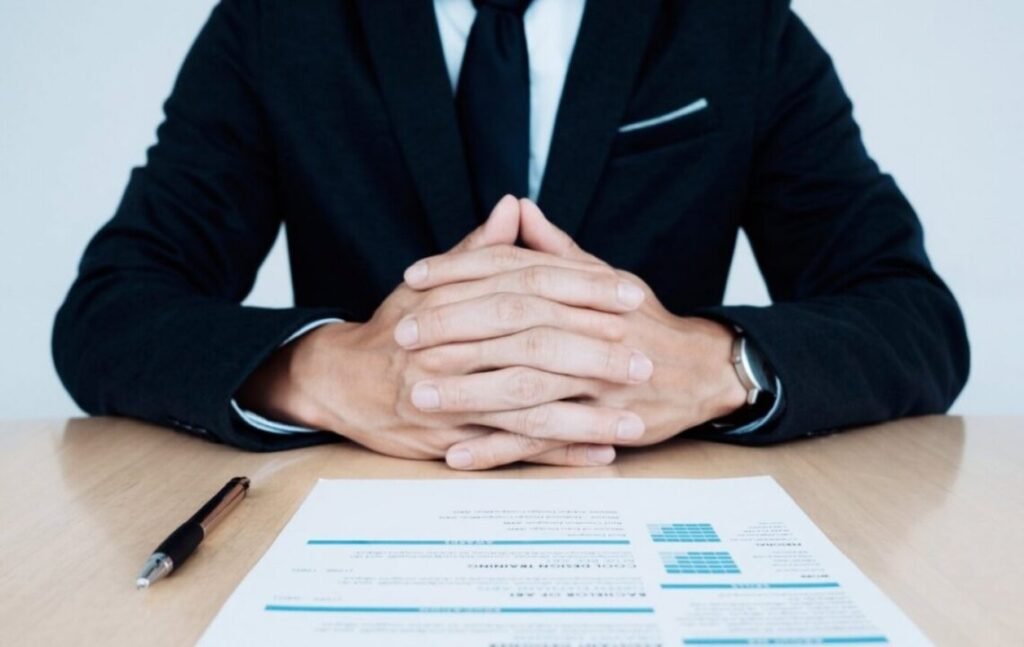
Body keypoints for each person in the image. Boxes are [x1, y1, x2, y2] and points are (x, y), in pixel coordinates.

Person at [53, 0, 969, 471]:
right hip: (359, 525)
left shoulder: (735, 22)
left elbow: (914, 315)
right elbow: (109, 310)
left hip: (647, 513)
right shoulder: (279, 22)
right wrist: (329, 371)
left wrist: (706, 365)